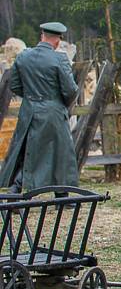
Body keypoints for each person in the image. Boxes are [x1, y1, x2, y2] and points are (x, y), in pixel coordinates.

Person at [0, 22, 79, 192]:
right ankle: (63, 196)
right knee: (61, 153)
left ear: (41, 36)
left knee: (27, 152)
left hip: (28, 110)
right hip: (53, 112)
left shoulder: (23, 56)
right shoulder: (59, 59)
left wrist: (31, 97)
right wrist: (58, 102)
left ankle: (15, 191)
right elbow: (71, 90)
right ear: (58, 41)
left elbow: (14, 85)